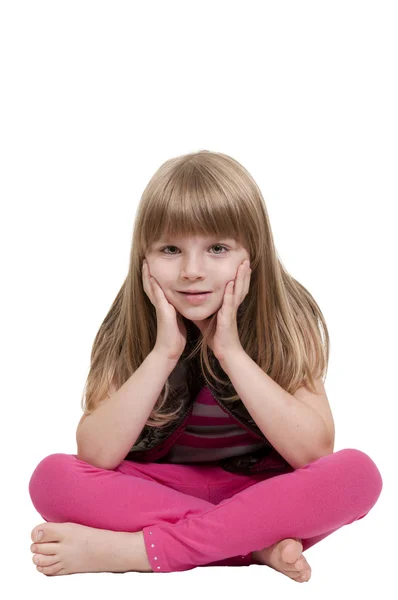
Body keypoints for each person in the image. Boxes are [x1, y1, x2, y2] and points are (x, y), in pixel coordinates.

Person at [28, 150, 383, 578]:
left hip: (259, 490)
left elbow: (312, 451)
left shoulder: (286, 312)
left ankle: (139, 552)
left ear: (253, 253)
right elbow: (96, 455)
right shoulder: (128, 319)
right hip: (159, 489)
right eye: (171, 249)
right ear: (144, 257)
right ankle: (255, 546)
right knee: (52, 478)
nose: (192, 271)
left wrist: (230, 352)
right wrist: (164, 353)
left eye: (217, 248)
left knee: (357, 474)